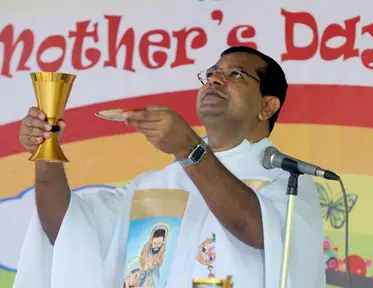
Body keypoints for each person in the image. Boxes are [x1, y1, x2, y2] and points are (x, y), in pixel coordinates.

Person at [14, 46, 325, 288]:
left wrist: (190, 149)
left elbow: (255, 229)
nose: (215, 79)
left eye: (236, 75)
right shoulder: (153, 186)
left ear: (268, 106)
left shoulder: (287, 180)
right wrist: (45, 150)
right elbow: (65, 226)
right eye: (212, 73)